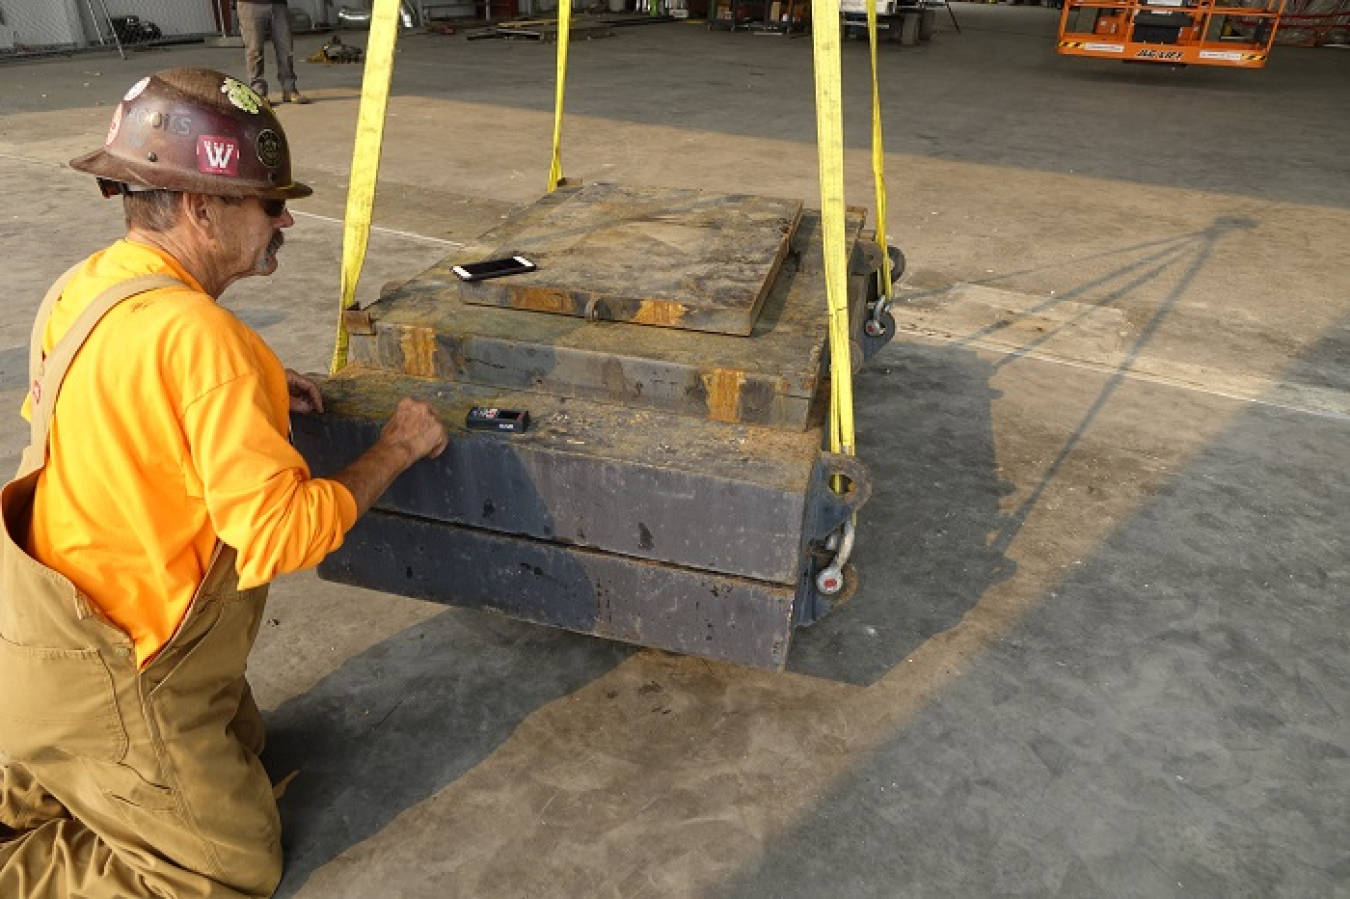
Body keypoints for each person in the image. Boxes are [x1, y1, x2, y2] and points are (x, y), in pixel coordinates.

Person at [0, 68, 447, 898]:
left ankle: (44, 767)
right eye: (267, 202)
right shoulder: (206, 345)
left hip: (37, 640)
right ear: (201, 208)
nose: (285, 219)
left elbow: (139, 385)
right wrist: (394, 448)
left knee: (243, 742)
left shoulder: (85, 286)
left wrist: (258, 381)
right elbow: (281, 535)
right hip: (121, 671)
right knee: (226, 865)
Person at [237, 0, 309, 104]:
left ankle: (289, 89)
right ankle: (258, 92)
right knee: (254, 50)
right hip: (250, 4)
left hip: (278, 4)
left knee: (285, 48)